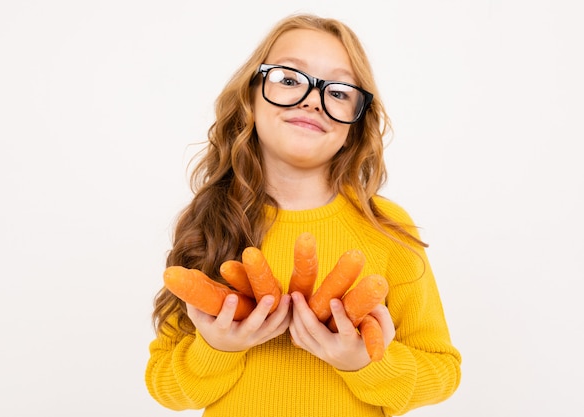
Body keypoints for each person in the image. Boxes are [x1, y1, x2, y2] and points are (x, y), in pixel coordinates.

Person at [145, 13, 461, 417]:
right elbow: (165, 387)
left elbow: (443, 370)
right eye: (290, 79)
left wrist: (365, 362)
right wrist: (217, 348)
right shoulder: (211, 219)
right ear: (251, 95)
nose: (313, 99)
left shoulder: (386, 227)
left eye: (340, 90)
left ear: (357, 120)